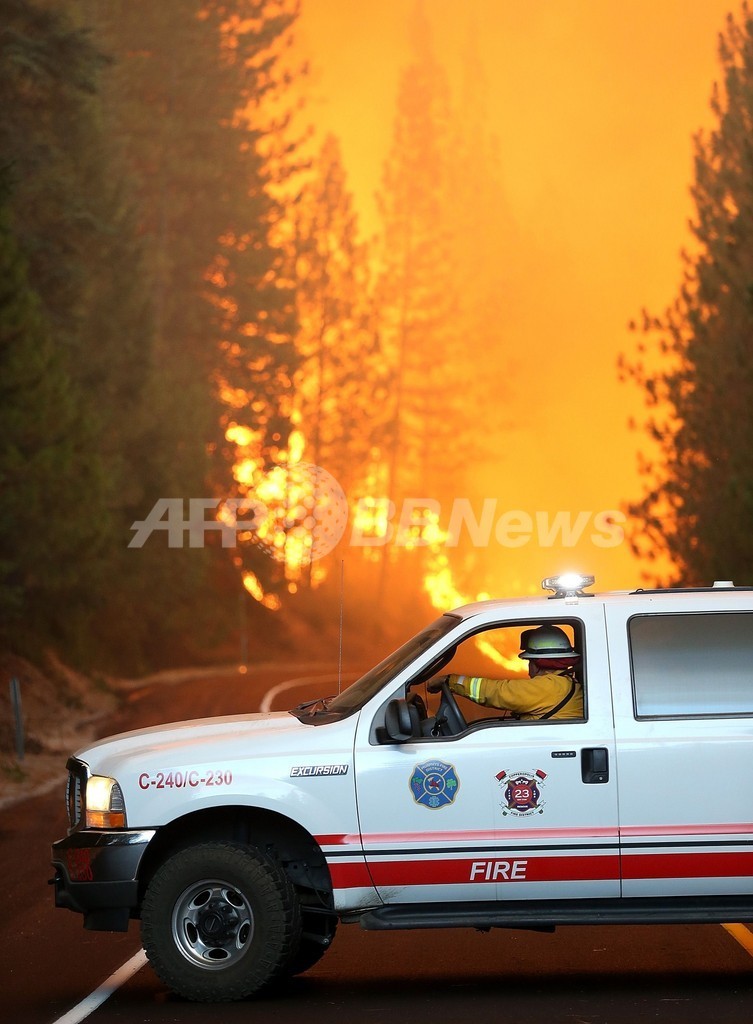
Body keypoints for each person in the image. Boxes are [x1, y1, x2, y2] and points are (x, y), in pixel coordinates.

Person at [429, 625, 584, 721]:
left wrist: (450, 681)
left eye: (529, 661)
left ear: (537, 664)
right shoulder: (562, 683)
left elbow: (497, 692)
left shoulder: (549, 687)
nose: (529, 670)